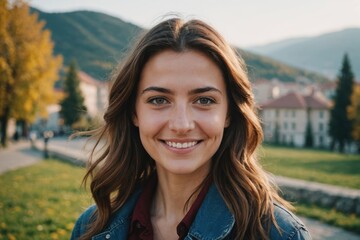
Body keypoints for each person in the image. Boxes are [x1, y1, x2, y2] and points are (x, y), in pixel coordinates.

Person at [71, 17, 311, 240]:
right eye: (158, 100)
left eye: (204, 100)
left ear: (229, 113)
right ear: (135, 113)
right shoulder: (91, 228)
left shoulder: (280, 234)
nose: (181, 125)